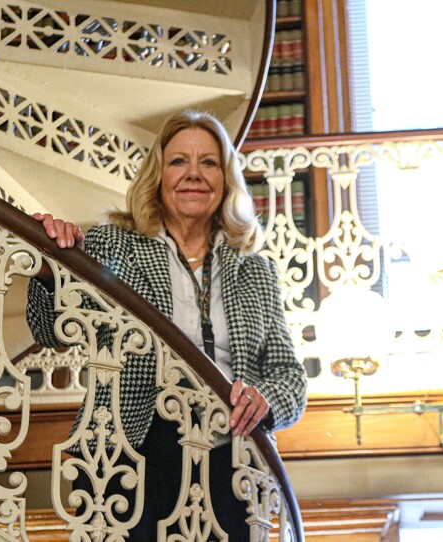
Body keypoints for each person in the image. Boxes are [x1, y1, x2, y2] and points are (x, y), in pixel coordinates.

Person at [26, 109, 307, 540]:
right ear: (157, 175)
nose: (193, 174)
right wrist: (50, 272)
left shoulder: (256, 270)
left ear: (226, 179)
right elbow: (50, 331)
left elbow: (290, 377)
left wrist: (265, 399)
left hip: (229, 462)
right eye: (179, 161)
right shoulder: (111, 244)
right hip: (131, 454)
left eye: (208, 162)